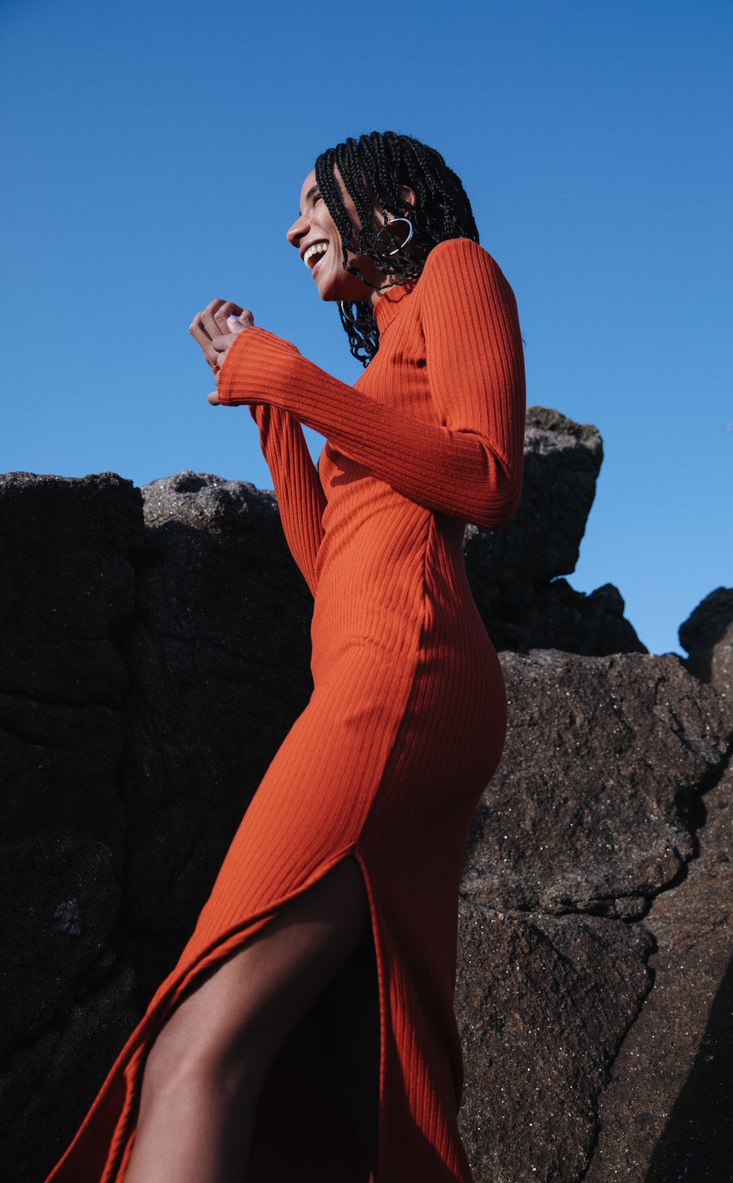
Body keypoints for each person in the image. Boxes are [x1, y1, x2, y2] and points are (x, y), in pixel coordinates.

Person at [43, 129, 527, 1183]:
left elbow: (487, 478)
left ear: (393, 199)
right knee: (364, 1074)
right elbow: (328, 564)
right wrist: (271, 405)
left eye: (317, 199)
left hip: (408, 670)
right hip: (370, 661)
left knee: (196, 1048)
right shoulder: (382, 357)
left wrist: (296, 381)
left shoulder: (458, 271)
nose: (294, 224)